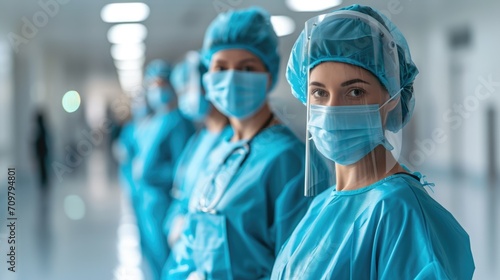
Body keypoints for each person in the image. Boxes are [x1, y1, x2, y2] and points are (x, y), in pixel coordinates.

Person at [271, 4, 475, 279]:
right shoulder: (322, 205)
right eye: (319, 93)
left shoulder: (403, 214)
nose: (332, 110)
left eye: (355, 92)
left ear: (391, 98)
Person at [163, 7, 318, 280]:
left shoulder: (289, 161)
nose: (232, 78)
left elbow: (298, 268)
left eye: (247, 68)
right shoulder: (221, 149)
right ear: (207, 77)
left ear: (269, 75)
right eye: (221, 67)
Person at [133, 60, 195, 280]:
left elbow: (183, 170)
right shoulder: (154, 121)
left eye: (160, 85)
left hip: (164, 201)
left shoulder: (179, 122)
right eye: (152, 85)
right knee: (152, 255)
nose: (156, 91)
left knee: (168, 261)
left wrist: (152, 175)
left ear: (171, 87)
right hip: (147, 200)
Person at [162, 51, 231, 250]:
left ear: (208, 85)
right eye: (180, 92)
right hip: (185, 244)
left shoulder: (230, 140)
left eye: (187, 90)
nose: (184, 98)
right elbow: (182, 188)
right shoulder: (200, 137)